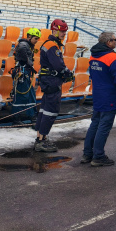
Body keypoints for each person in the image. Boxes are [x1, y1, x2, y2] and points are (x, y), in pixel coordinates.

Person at [82, 31, 116, 167]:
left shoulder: (93, 56)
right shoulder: (112, 57)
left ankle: (87, 153)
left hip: (97, 94)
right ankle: (98, 155)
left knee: (95, 123)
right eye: (115, 39)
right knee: (104, 126)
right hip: (109, 96)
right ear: (108, 42)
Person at [35, 19, 74, 152]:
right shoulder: (52, 45)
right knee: (51, 110)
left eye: (65, 31)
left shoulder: (51, 44)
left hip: (48, 80)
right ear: (55, 30)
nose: (64, 33)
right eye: (62, 31)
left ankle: (40, 137)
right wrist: (68, 73)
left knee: (44, 109)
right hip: (52, 81)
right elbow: (58, 65)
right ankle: (41, 141)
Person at [11, 28, 40, 122]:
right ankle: (16, 118)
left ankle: (32, 115)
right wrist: (29, 63)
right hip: (22, 73)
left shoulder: (28, 45)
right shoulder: (23, 45)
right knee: (21, 96)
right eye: (35, 38)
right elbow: (23, 55)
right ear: (29, 37)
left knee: (31, 95)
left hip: (26, 73)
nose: (37, 41)